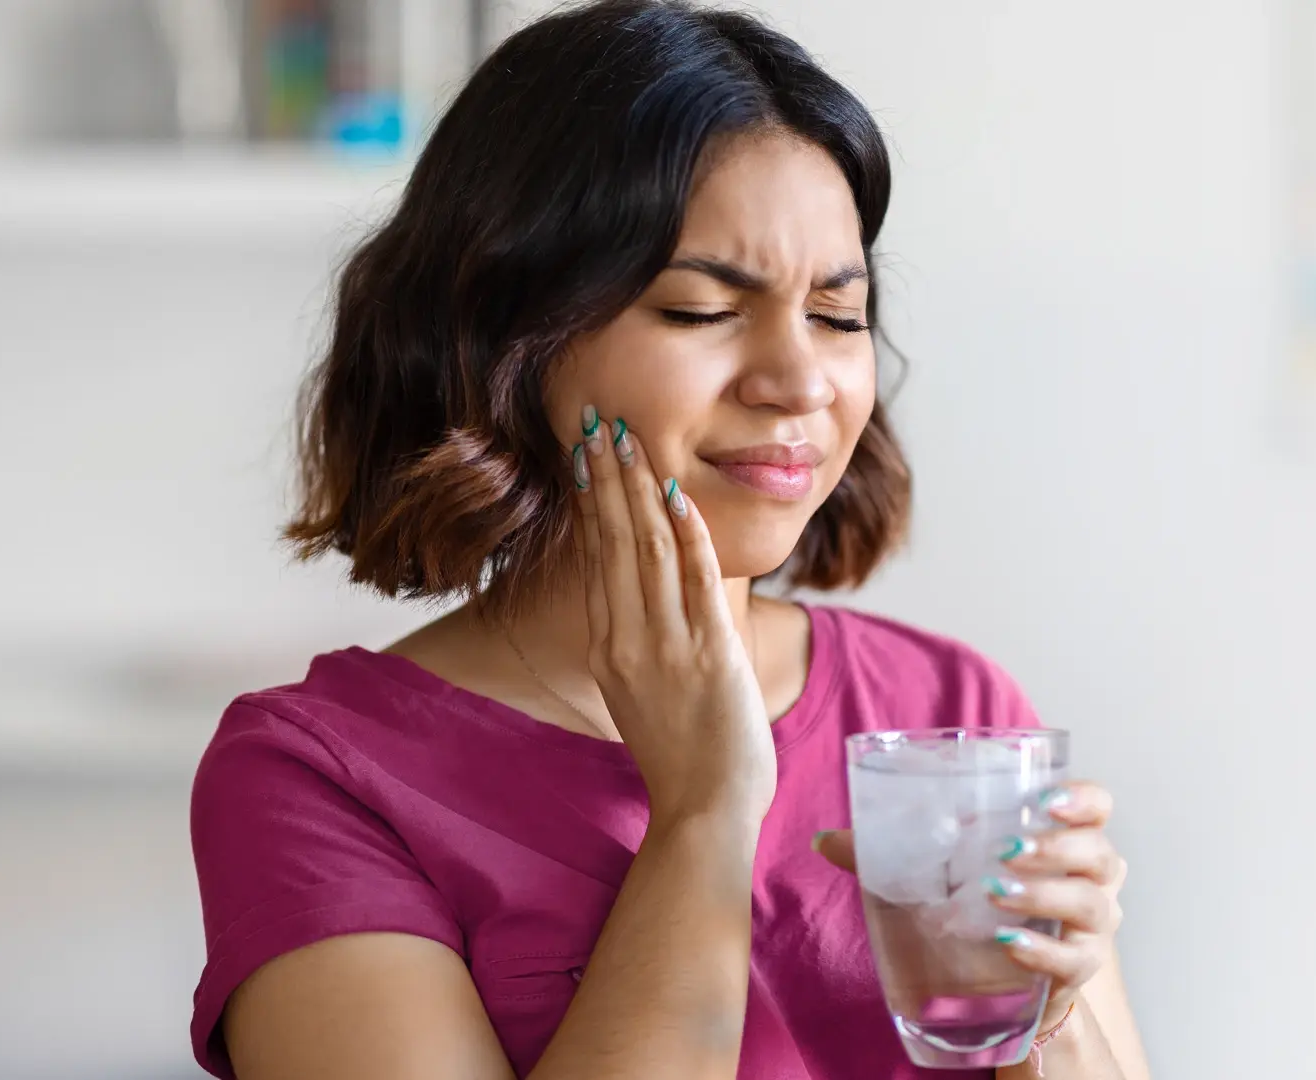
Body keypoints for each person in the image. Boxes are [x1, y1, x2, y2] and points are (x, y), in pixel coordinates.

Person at [187, 2, 1148, 1077]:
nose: (799, 382)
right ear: (508, 339)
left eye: (838, 317)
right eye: (700, 311)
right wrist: (705, 811)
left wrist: (1046, 1009)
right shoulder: (318, 776)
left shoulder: (952, 716)